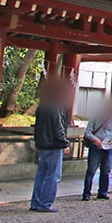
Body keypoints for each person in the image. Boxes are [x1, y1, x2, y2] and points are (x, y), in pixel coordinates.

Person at [30, 78, 71, 212]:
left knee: (41, 174)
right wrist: (64, 143)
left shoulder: (41, 107)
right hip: (53, 145)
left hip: (42, 144)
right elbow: (58, 128)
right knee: (53, 175)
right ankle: (45, 203)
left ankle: (35, 202)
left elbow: (37, 127)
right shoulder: (56, 107)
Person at [82, 100, 112, 201]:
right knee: (91, 170)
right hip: (96, 147)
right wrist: (95, 139)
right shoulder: (95, 118)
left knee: (106, 170)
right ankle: (86, 192)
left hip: (108, 148)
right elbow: (88, 132)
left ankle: (103, 191)